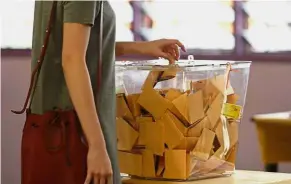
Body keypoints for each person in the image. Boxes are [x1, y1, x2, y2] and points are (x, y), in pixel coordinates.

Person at [29, 1, 186, 184]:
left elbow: (80, 44)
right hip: (78, 131)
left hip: (54, 127)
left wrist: (141, 47)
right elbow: (72, 59)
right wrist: (96, 146)